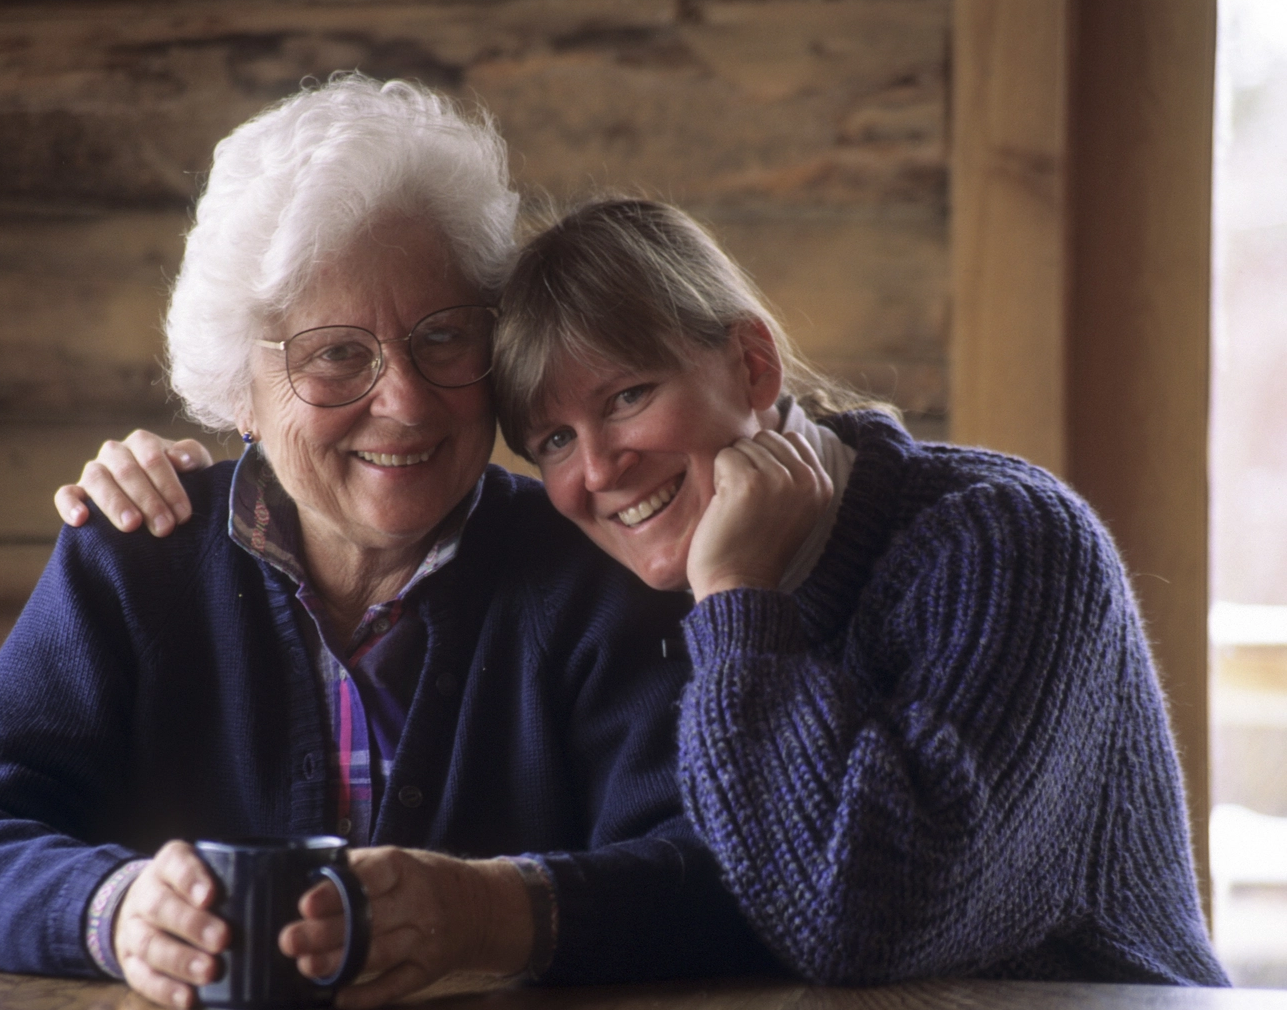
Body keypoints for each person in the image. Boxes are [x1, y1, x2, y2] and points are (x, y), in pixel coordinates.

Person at [74, 198, 1228, 987]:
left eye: (628, 396)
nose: (599, 470)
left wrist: (734, 600)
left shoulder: (1004, 540)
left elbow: (859, 919)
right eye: (554, 439)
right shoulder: (649, 572)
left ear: (754, 365)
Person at [0, 80, 772, 1010]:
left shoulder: (590, 564)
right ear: (242, 390)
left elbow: (727, 871)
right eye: (334, 354)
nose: (404, 400)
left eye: (443, 337)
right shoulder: (136, 550)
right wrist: (115, 910)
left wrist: (488, 910)